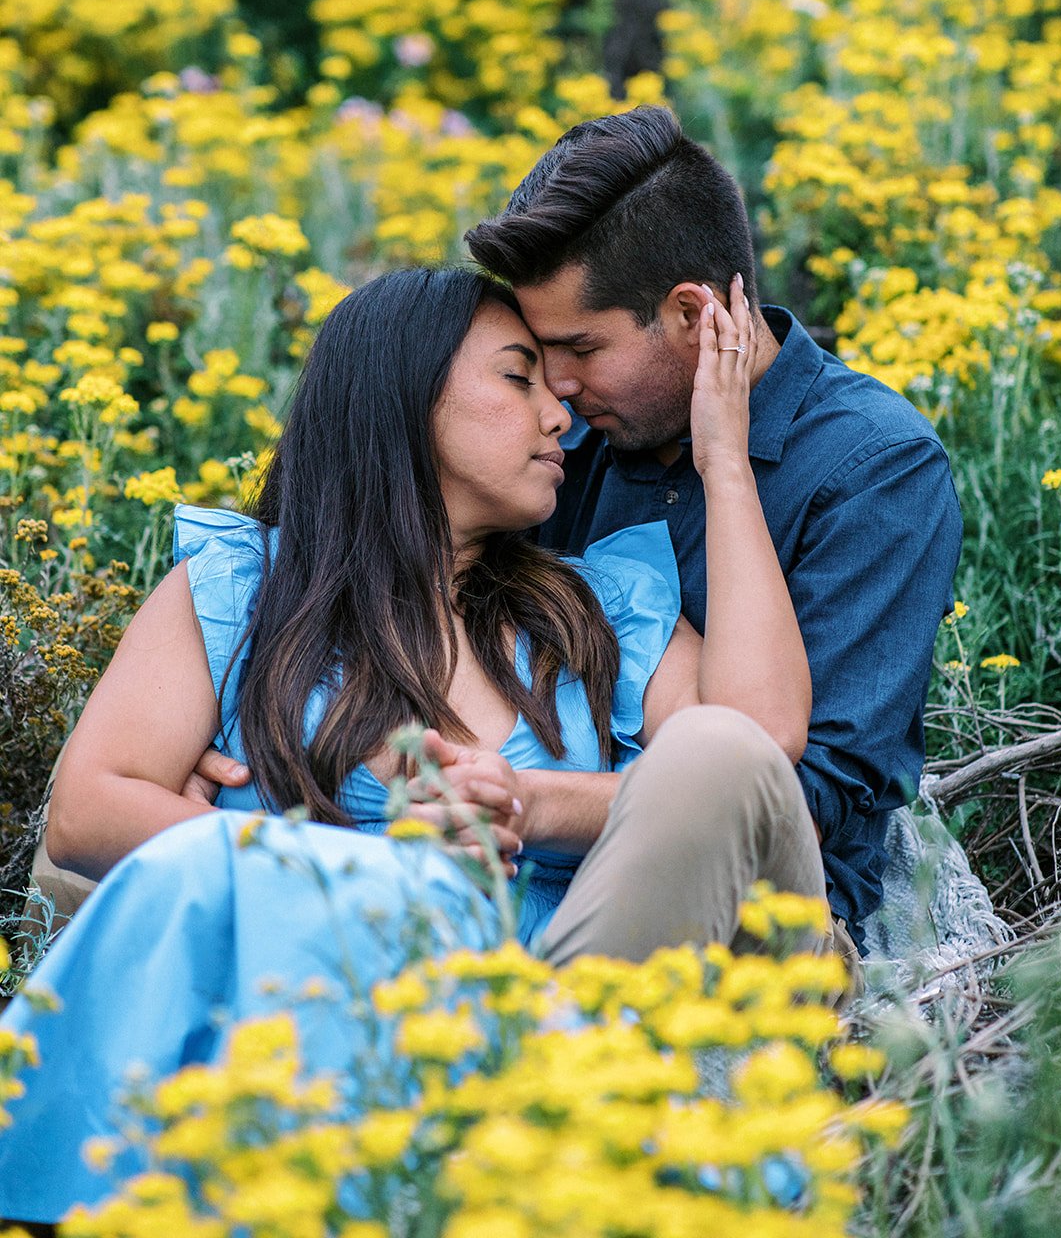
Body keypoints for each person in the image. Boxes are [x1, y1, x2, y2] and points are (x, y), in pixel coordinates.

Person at [1, 265, 824, 1225]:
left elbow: (752, 757)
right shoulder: (244, 590)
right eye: (517, 379)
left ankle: (541, 1127)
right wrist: (359, 867)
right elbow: (90, 804)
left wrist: (723, 461)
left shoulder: (596, 608)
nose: (558, 414)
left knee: (711, 749)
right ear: (401, 398)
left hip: (573, 1014)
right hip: (337, 1033)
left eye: (555, 388)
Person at [463, 105, 964, 956]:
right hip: (530, 869)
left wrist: (524, 799)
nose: (557, 385)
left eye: (579, 347)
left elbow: (800, 798)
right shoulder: (564, 435)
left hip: (756, 916)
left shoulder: (874, 468)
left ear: (693, 314)